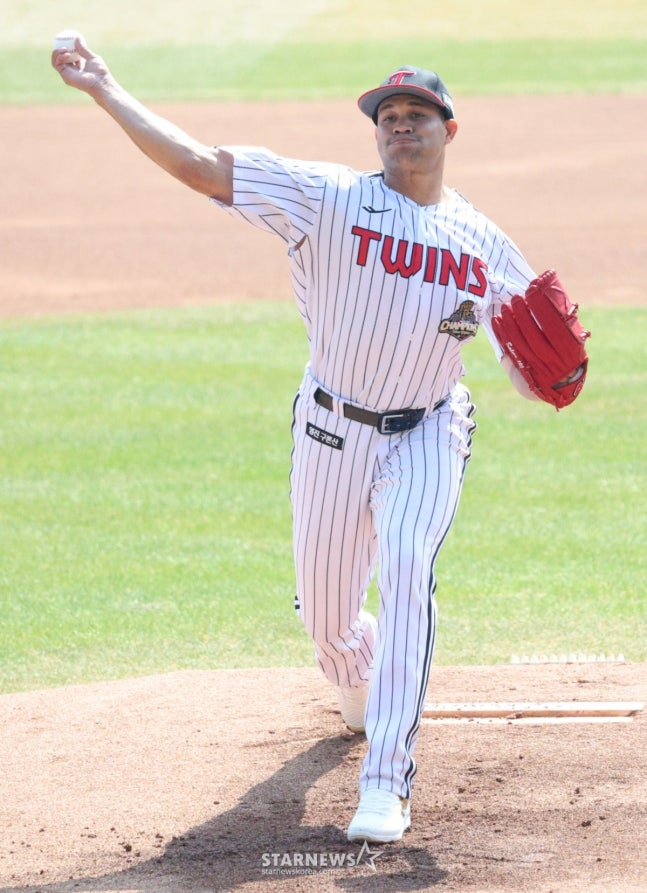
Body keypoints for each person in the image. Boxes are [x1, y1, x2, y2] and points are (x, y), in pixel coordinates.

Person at [51, 44, 585, 844]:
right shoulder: (325, 198)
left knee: (407, 566)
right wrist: (105, 89)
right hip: (331, 429)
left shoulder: (481, 242)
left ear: (449, 130)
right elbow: (200, 165)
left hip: (430, 430)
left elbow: (522, 358)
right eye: (388, 118)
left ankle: (387, 778)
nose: (399, 127)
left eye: (416, 117)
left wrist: (537, 377)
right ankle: (355, 670)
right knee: (330, 621)